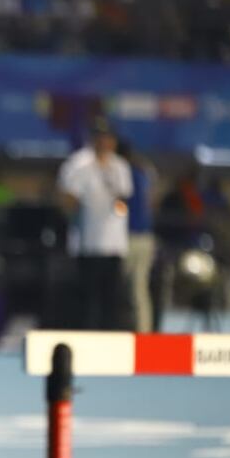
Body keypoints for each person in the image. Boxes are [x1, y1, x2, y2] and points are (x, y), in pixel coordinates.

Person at [56, 116, 132, 330]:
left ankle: (108, 341)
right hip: (87, 244)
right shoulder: (79, 165)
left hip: (113, 244)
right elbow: (66, 200)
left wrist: (116, 207)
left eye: (109, 138)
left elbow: (123, 201)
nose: (105, 143)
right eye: (100, 138)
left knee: (111, 298)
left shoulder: (120, 167)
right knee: (86, 299)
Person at [116, 138, 157, 333]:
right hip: (146, 238)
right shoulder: (143, 172)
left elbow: (120, 206)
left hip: (130, 238)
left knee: (127, 290)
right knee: (140, 290)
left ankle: (134, 331)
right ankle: (143, 330)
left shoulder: (123, 173)